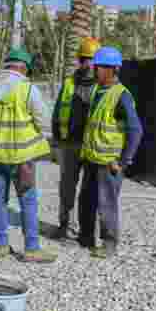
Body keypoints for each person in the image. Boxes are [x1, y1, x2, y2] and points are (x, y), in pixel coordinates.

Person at [0, 48, 57, 262]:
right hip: (22, 158)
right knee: (28, 200)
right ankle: (31, 248)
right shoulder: (28, 90)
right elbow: (43, 119)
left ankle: (1, 244)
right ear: (24, 69)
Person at [77, 46, 143, 259]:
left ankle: (109, 243)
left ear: (112, 69)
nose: (94, 70)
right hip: (91, 158)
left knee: (107, 203)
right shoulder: (97, 90)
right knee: (86, 200)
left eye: (98, 67)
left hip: (109, 162)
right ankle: (85, 236)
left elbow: (135, 130)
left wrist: (123, 161)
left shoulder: (121, 96)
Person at [50, 36, 100, 240]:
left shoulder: (103, 86)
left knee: (89, 190)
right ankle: (65, 225)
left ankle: (87, 231)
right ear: (79, 60)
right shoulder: (69, 83)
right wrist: (56, 141)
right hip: (69, 143)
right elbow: (57, 113)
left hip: (92, 145)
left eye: (91, 59)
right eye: (84, 59)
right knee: (67, 187)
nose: (87, 64)